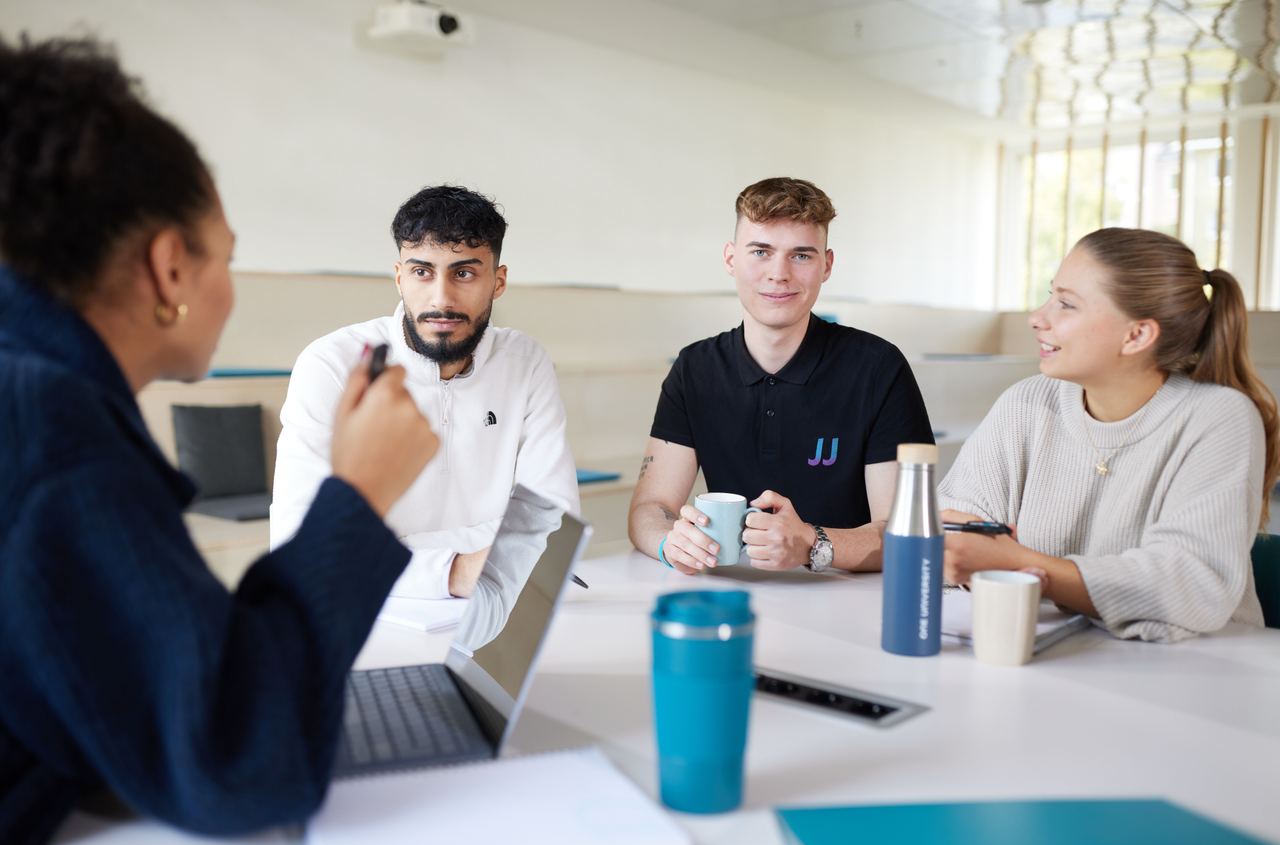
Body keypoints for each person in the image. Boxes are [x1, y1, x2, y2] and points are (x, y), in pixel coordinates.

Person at [0, 35, 438, 845]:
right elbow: (241, 761)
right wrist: (360, 496)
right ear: (172, 269)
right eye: (227, 258)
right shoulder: (52, 434)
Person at [939, 227, 1279, 642]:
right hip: (1058, 653)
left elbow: (1187, 585)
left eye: (1066, 304)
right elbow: (952, 525)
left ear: (1136, 335)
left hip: (1199, 665)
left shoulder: (1219, 417)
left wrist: (1018, 564)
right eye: (1050, 295)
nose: (1038, 317)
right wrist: (970, 550)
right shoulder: (1026, 402)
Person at [269, 186, 579, 599]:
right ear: (400, 277)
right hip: (362, 611)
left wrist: (385, 552)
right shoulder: (333, 365)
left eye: (464, 273)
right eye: (422, 272)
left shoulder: (525, 360)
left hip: (495, 604)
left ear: (498, 281)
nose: (442, 299)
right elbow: (301, 548)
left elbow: (553, 526)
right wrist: (462, 567)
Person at [628, 177, 934, 574]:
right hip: (731, 590)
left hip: (848, 595)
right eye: (761, 251)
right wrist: (671, 542)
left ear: (826, 265)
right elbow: (651, 507)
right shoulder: (694, 368)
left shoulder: (879, 367)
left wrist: (812, 544)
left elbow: (906, 535)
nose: (779, 274)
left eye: (801, 255)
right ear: (730, 259)